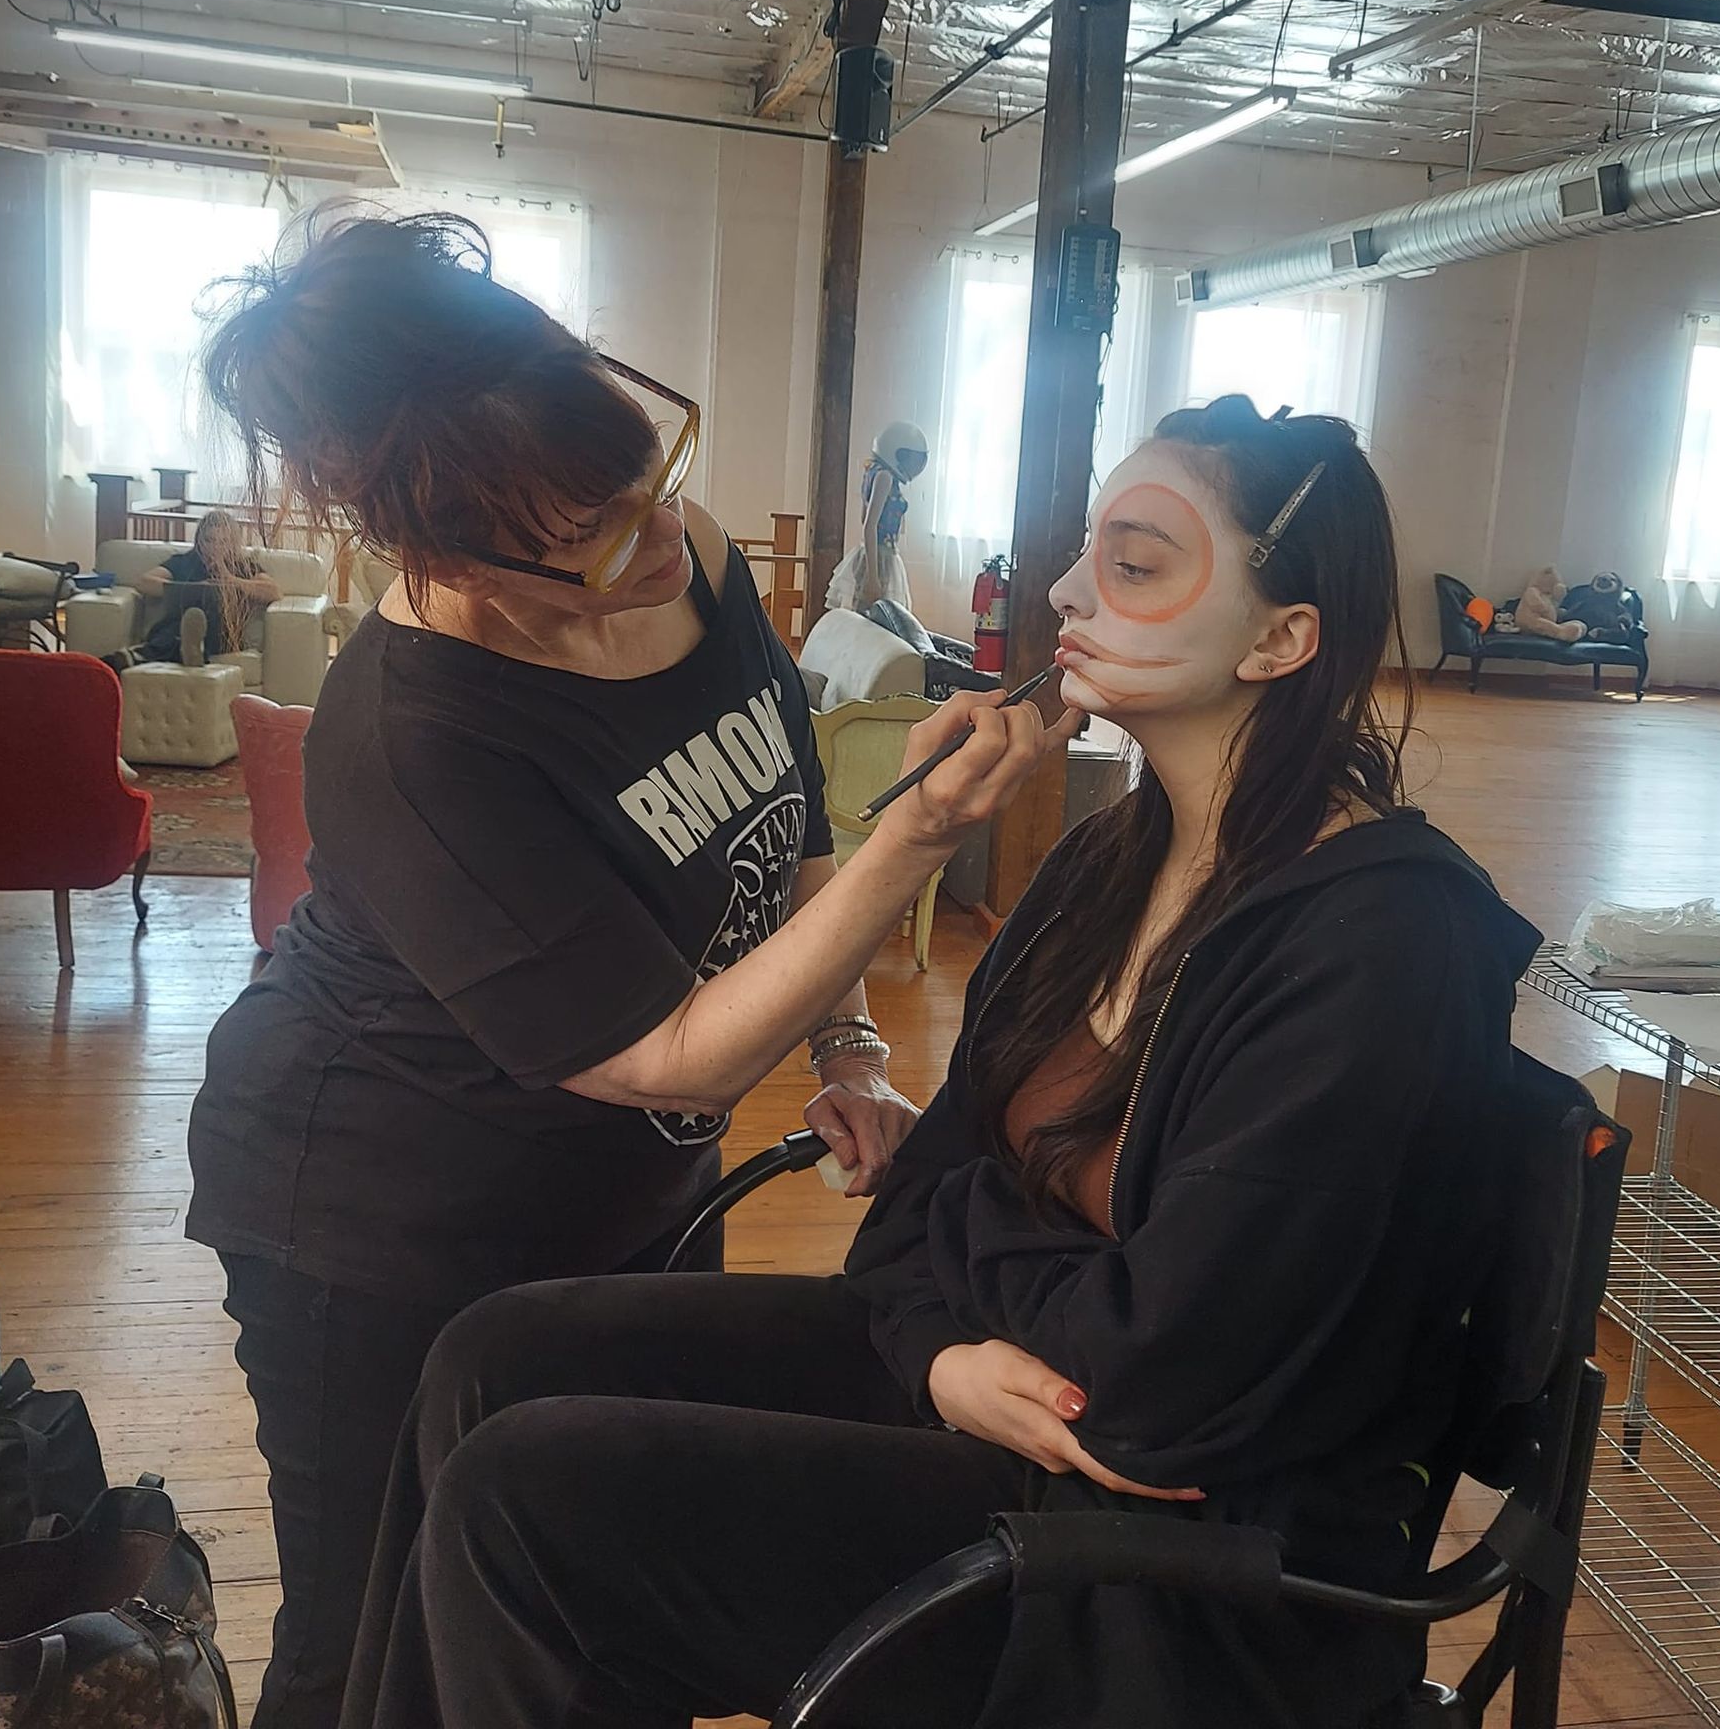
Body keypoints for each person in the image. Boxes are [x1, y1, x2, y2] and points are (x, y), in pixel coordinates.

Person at [339, 396, 1542, 1729]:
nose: (1071, 590)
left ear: (1283, 637)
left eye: (1136, 565)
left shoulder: (1381, 944)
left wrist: (956, 1278)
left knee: (532, 1503)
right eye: (1091, 550)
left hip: (1174, 1568)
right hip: (1006, 1401)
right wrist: (938, 1359)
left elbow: (1149, 1388)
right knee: (493, 1359)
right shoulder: (1106, 860)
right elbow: (918, 1213)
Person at [181, 210, 1072, 1729]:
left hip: (628, 1196)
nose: (663, 534)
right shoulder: (416, 734)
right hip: (378, 1210)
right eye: (594, 533)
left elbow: (784, 831)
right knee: (370, 1641)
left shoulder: (691, 553)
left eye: (645, 473)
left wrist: (851, 1046)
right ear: (456, 560)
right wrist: (916, 845)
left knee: (591, 1607)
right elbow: (673, 1055)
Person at [102, 506, 280, 671]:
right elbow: (144, 582)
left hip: (222, 633)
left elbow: (274, 592)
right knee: (181, 625)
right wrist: (188, 588)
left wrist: (230, 580)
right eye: (210, 540)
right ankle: (191, 650)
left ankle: (137, 656)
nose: (216, 548)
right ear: (200, 541)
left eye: (223, 542)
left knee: (209, 606)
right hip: (176, 624)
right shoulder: (185, 562)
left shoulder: (244, 566)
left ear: (233, 544)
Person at [825, 419, 928, 614]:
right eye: (910, 459)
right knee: (877, 614)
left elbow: (864, 517)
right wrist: (873, 576)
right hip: (879, 556)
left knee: (872, 613)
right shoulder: (885, 477)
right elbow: (869, 525)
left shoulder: (873, 472)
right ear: (896, 452)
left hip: (874, 553)